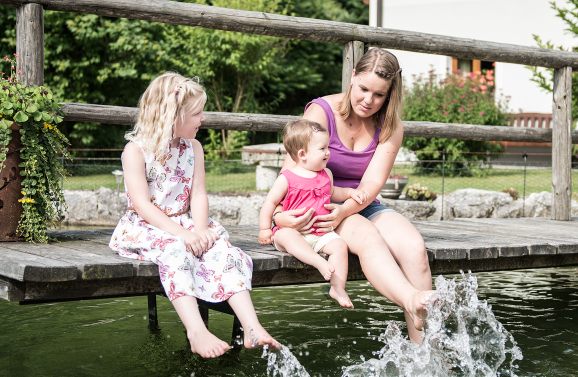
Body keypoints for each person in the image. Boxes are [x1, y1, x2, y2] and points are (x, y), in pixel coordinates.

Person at [108, 72, 279, 358]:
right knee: (176, 251)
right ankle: (196, 331)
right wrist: (184, 235)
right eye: (197, 113)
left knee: (224, 251)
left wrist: (199, 229)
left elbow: (198, 194)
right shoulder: (135, 151)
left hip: (185, 221)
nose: (203, 119)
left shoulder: (193, 148)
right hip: (147, 225)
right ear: (172, 116)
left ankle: (252, 327)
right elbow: (143, 206)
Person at [272, 48, 435, 343]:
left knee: (415, 248)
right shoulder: (320, 112)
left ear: (390, 94)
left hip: (360, 201)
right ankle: (411, 300)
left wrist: (346, 209)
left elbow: (372, 182)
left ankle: (425, 349)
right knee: (369, 237)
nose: (368, 100)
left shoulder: (390, 125)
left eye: (379, 95)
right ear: (353, 76)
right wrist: (279, 216)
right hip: (319, 206)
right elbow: (291, 174)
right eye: (363, 89)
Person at [258, 119, 370, 309]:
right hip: (294, 232)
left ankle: (338, 287)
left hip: (320, 234)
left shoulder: (326, 174)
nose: (328, 152)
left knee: (340, 246)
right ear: (302, 154)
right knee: (286, 235)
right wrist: (264, 228)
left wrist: (351, 192)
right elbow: (270, 202)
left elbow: (333, 192)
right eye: (322, 148)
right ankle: (318, 262)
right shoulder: (287, 178)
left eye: (327, 147)